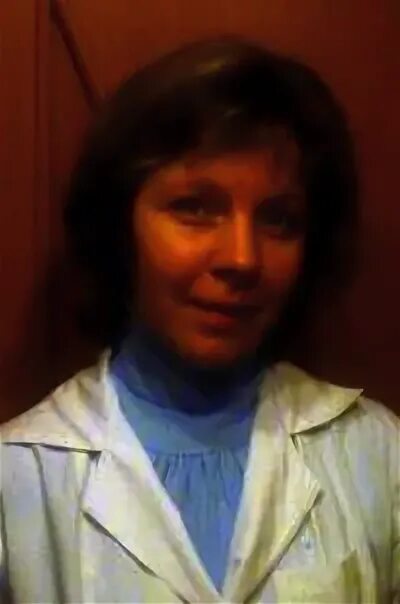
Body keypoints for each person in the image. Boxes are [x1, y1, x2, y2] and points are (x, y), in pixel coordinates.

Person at [0, 36, 398, 603]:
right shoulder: (20, 476)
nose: (243, 258)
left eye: (278, 219)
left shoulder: (376, 454)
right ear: (119, 225)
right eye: (195, 208)